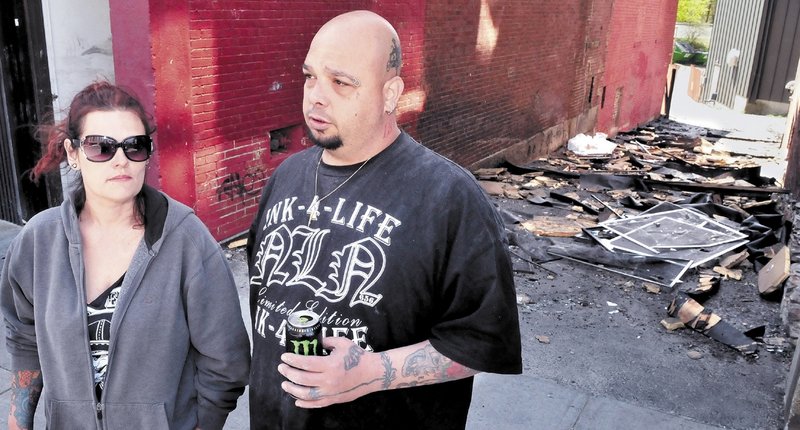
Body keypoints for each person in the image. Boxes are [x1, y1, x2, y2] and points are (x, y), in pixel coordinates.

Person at [246, 10, 521, 429]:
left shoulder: (449, 198)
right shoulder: (286, 177)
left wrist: (370, 373)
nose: (316, 96)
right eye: (310, 76)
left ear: (391, 93)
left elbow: (481, 341)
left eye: (341, 82)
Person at [1, 81, 250, 430]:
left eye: (135, 147)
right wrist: (18, 421)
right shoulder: (38, 241)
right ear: (73, 154)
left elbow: (226, 361)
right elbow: (24, 335)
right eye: (101, 147)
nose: (121, 160)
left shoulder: (184, 239)